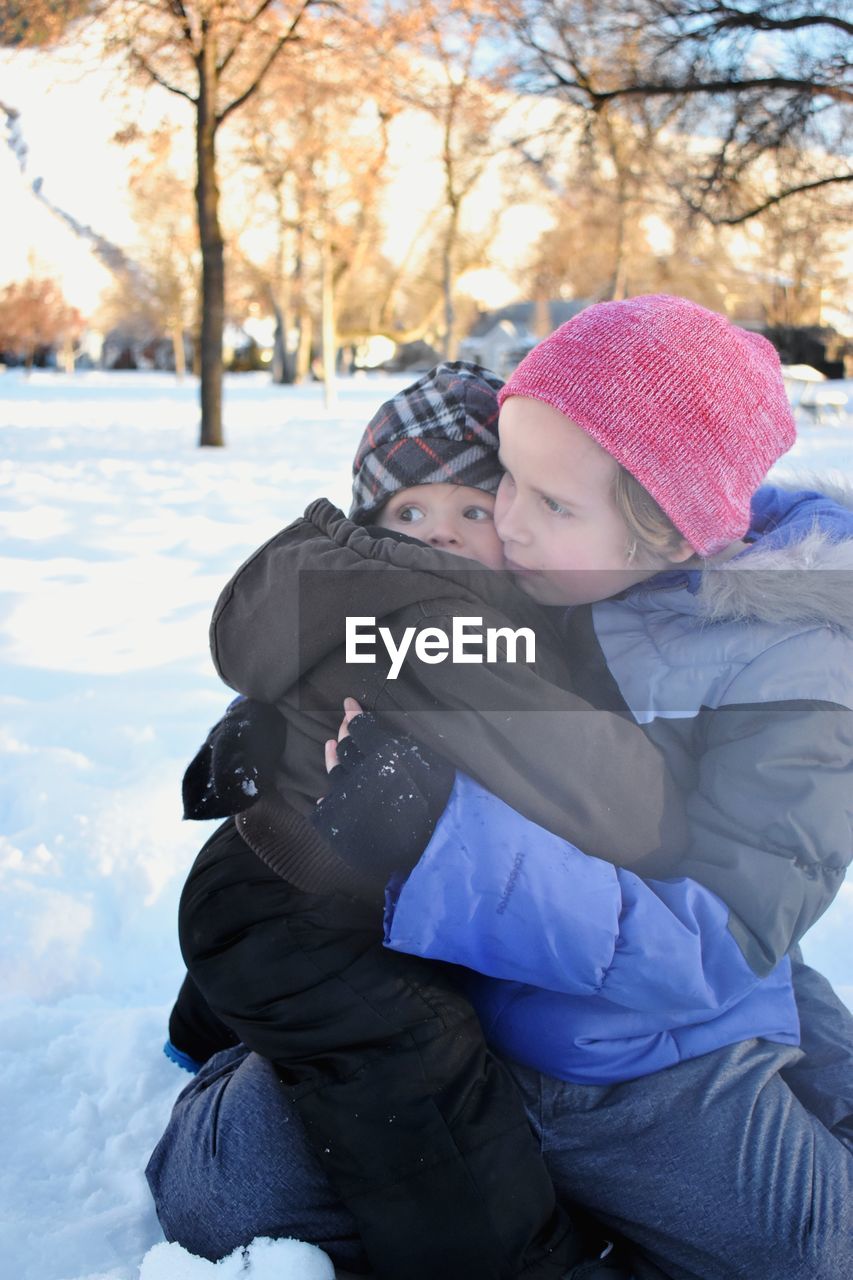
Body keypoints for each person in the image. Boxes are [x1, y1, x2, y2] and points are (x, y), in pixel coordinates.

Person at [320, 296, 853, 1278]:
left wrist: (440, 832)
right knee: (217, 1186)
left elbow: (719, 942)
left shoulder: (795, 686)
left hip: (644, 1062)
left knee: (814, 1250)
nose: (507, 523)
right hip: (451, 1030)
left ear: (671, 531)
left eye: (551, 503)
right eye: (505, 480)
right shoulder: (559, 577)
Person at [149, 362, 689, 1280]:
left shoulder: (372, 597)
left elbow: (306, 666)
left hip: (270, 880)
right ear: (374, 528)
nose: (439, 534)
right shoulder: (450, 621)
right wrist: (667, 801)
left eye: (470, 512)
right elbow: (590, 781)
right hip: (307, 913)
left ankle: (205, 1030)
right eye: (411, 515)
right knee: (420, 1078)